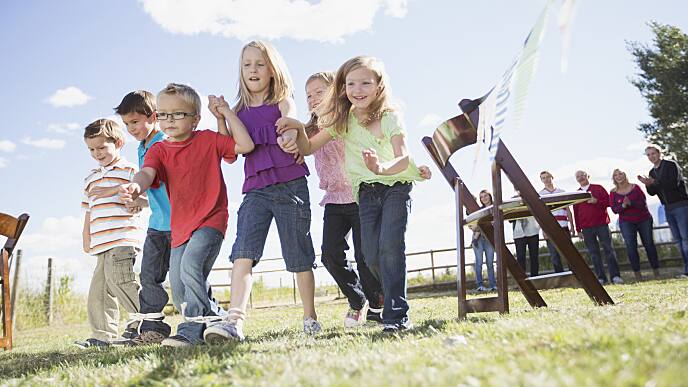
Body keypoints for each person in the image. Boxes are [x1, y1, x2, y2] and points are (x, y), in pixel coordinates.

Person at [275, 56, 432, 333]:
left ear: (379, 86)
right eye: (351, 84)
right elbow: (308, 148)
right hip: (362, 194)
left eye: (365, 83)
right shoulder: (342, 121)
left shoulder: (386, 117)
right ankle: (375, 299)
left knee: (389, 248)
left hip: (393, 186)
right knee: (370, 256)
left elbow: (402, 155)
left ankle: (396, 316)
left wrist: (384, 167)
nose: (358, 89)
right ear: (344, 88)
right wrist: (296, 128)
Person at [99, 83, 254, 347]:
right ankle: (214, 319)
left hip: (210, 220)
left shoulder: (207, 139)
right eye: (163, 114)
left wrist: (225, 113)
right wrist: (136, 186)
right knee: (177, 280)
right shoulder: (158, 149)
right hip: (179, 225)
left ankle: (192, 328)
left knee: (192, 264)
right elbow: (147, 173)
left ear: (195, 118)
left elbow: (245, 144)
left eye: (178, 114)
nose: (169, 120)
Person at [204, 41, 320, 343]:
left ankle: (310, 317)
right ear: (240, 71)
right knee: (243, 250)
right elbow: (228, 149)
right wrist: (222, 115)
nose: (253, 69)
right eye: (247, 65)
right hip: (255, 189)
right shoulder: (238, 110)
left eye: (260, 64)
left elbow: (291, 121)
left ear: (272, 70)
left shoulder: (283, 100)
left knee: (298, 255)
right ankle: (235, 320)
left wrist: (292, 135)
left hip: (290, 185)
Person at [303, 71, 384, 326]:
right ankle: (357, 299)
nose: (313, 98)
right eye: (308, 95)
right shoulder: (310, 130)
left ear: (335, 93)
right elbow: (293, 143)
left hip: (361, 194)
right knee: (330, 255)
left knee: (364, 255)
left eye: (319, 92)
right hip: (334, 198)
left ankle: (377, 304)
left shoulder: (349, 120)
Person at [75, 119, 144, 348]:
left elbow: (145, 199)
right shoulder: (90, 178)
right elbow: (88, 211)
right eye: (91, 149)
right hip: (102, 242)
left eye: (102, 147)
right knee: (99, 290)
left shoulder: (130, 170)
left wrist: (136, 202)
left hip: (123, 237)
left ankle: (145, 323)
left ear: (118, 143)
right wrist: (87, 238)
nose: (97, 153)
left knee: (120, 281)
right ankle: (103, 335)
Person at [638, 144, 688, 278]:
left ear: (659, 153)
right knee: (678, 240)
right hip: (668, 208)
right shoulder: (651, 172)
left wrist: (655, 182)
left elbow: (673, 184)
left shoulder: (671, 165)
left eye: (653, 153)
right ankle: (686, 269)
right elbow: (653, 192)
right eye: (648, 154)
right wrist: (648, 184)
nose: (651, 157)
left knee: (686, 238)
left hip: (681, 205)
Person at [573, 170, 623, 284]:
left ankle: (615, 276)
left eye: (583, 175)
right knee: (593, 253)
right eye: (578, 176)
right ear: (576, 179)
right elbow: (576, 213)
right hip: (586, 228)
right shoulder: (577, 194)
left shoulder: (598, 188)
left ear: (588, 176)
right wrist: (578, 229)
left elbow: (609, 202)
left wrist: (597, 201)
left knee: (609, 250)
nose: (581, 178)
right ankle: (601, 277)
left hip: (601, 225)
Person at [609, 168, 660, 280]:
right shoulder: (613, 193)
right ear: (614, 178)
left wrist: (630, 203)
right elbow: (614, 209)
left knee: (649, 245)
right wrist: (623, 206)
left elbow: (642, 203)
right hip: (626, 222)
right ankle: (638, 274)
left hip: (644, 219)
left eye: (621, 173)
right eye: (616, 175)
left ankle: (656, 272)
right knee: (631, 247)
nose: (619, 176)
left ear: (625, 175)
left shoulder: (635, 187)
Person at [538, 171, 574, 272]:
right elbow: (541, 215)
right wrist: (543, 230)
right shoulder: (541, 194)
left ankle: (575, 274)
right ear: (541, 180)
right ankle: (561, 276)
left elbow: (568, 210)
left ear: (552, 177)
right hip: (550, 228)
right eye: (543, 178)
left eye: (547, 177)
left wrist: (572, 225)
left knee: (569, 252)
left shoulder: (561, 191)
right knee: (554, 255)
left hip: (564, 226)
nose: (546, 179)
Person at [468, 190, 496, 291]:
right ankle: (480, 285)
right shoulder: (479, 210)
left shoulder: (495, 209)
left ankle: (493, 285)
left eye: (486, 196)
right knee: (479, 263)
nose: (484, 198)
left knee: (490, 263)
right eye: (482, 197)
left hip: (490, 238)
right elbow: (472, 224)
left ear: (490, 196)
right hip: (478, 239)